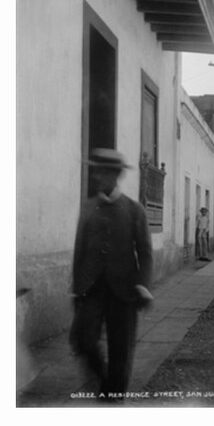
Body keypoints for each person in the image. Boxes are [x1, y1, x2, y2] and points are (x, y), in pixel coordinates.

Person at [69, 148, 154, 401]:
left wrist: (142, 285)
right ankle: (103, 380)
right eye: (95, 172)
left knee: (121, 349)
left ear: (115, 175)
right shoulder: (88, 208)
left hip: (124, 291)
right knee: (82, 340)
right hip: (91, 288)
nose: (96, 177)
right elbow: (79, 248)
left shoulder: (133, 210)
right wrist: (76, 287)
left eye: (102, 173)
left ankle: (113, 396)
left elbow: (145, 252)